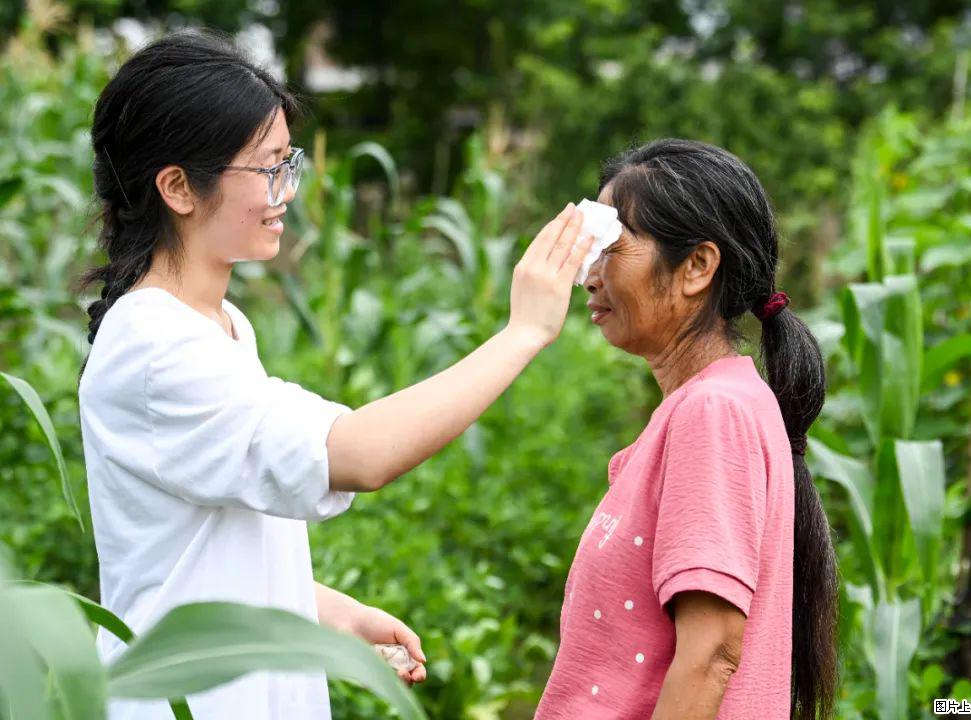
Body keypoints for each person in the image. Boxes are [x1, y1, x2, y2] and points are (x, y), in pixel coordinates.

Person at [76, 29, 591, 720]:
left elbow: (199, 548)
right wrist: (521, 333)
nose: (287, 189)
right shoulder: (155, 346)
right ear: (177, 187)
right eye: (267, 168)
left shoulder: (220, 325)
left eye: (287, 162)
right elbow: (357, 454)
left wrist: (326, 611)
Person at [534, 139, 839, 720]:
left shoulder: (714, 412)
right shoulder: (708, 407)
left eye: (610, 249)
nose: (590, 277)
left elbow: (712, 652)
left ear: (697, 266)